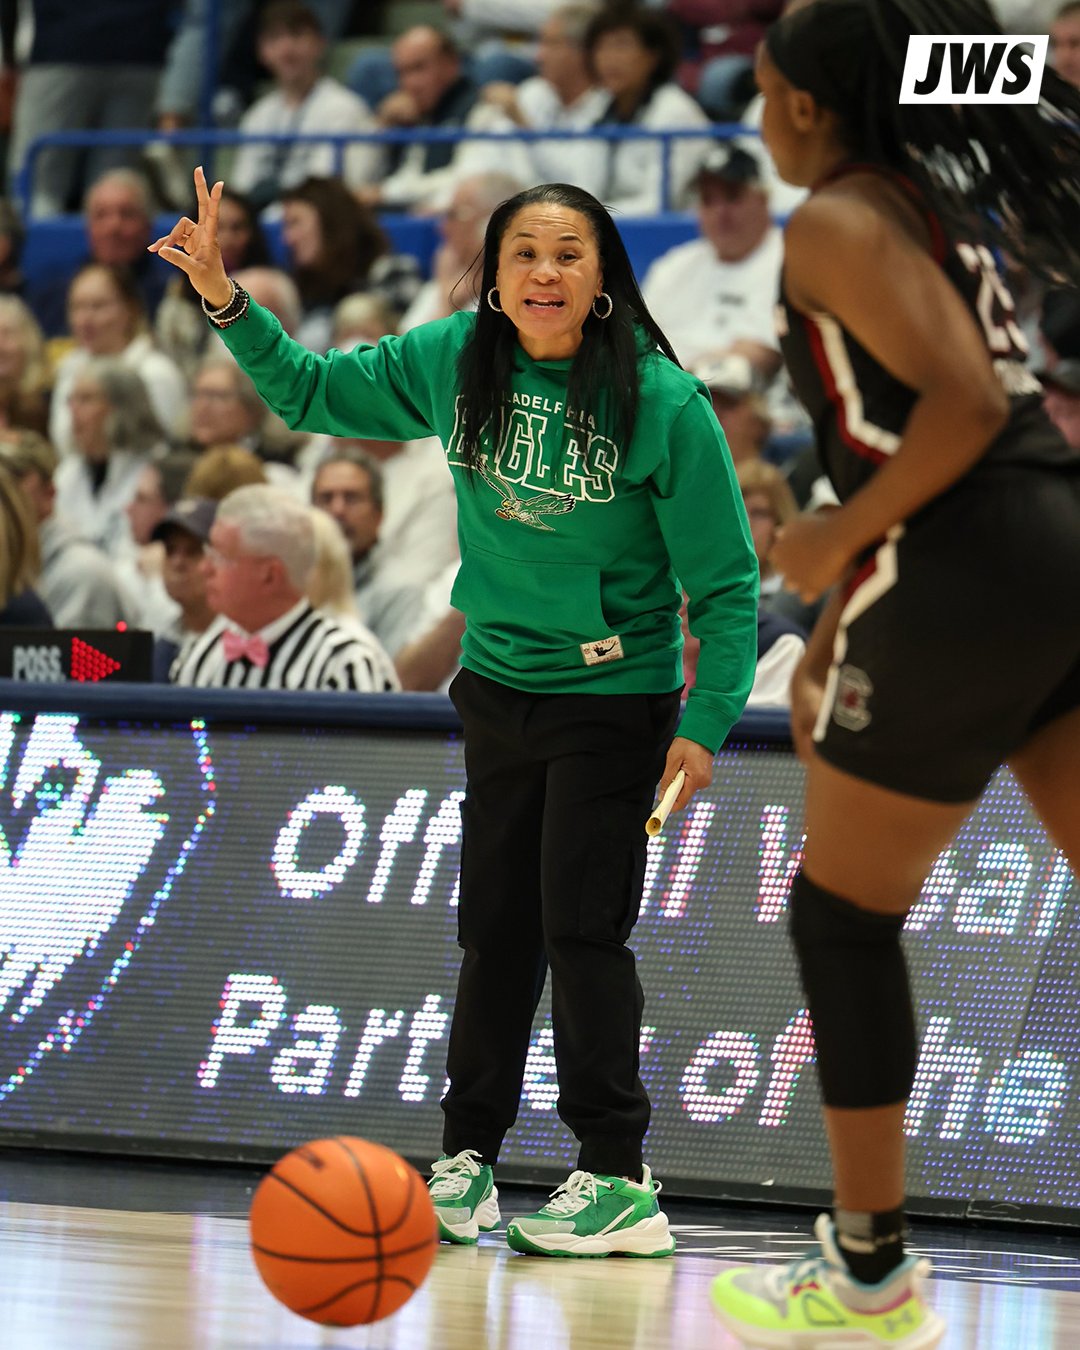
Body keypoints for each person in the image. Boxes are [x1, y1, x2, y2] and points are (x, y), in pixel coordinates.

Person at [152, 168, 758, 1256]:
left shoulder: (664, 402)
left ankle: (616, 1175)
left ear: (603, 277)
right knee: (493, 933)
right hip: (496, 685)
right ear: (494, 277)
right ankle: (467, 1161)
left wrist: (704, 725)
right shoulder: (454, 359)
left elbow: (724, 585)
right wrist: (225, 298)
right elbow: (307, 394)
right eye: (524, 252)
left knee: (581, 930)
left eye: (569, 253)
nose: (544, 272)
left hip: (615, 696)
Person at [699, 2, 1080, 1346]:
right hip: (1059, 542)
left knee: (843, 919)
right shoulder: (941, 205)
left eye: (758, 93)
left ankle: (870, 1274)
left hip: (964, 565)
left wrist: (825, 545)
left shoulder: (840, 218)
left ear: (804, 108)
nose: (752, 117)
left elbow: (965, 409)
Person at [169, 483, 401, 691]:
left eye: (221, 557)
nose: (204, 569)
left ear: (270, 575)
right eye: (209, 553)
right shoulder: (199, 654)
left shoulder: (346, 664)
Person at [640, 141, 784, 375]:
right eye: (708, 200)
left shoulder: (786, 262)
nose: (721, 212)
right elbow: (635, 341)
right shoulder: (675, 265)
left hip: (737, 398)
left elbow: (763, 356)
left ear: (763, 199)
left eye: (732, 197)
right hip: (663, 392)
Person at [229, 1, 382, 213]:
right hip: (260, 233)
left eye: (297, 35)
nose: (287, 49)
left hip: (326, 230)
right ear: (262, 51)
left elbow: (335, 191)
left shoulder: (347, 109)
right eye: (275, 39)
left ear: (320, 43)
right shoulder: (256, 116)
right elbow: (242, 190)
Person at [0, 428, 128, 629]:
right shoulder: (15, 568)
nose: (5, 499)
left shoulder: (81, 573)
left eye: (10, 487)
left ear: (49, 494)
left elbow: (72, 658)